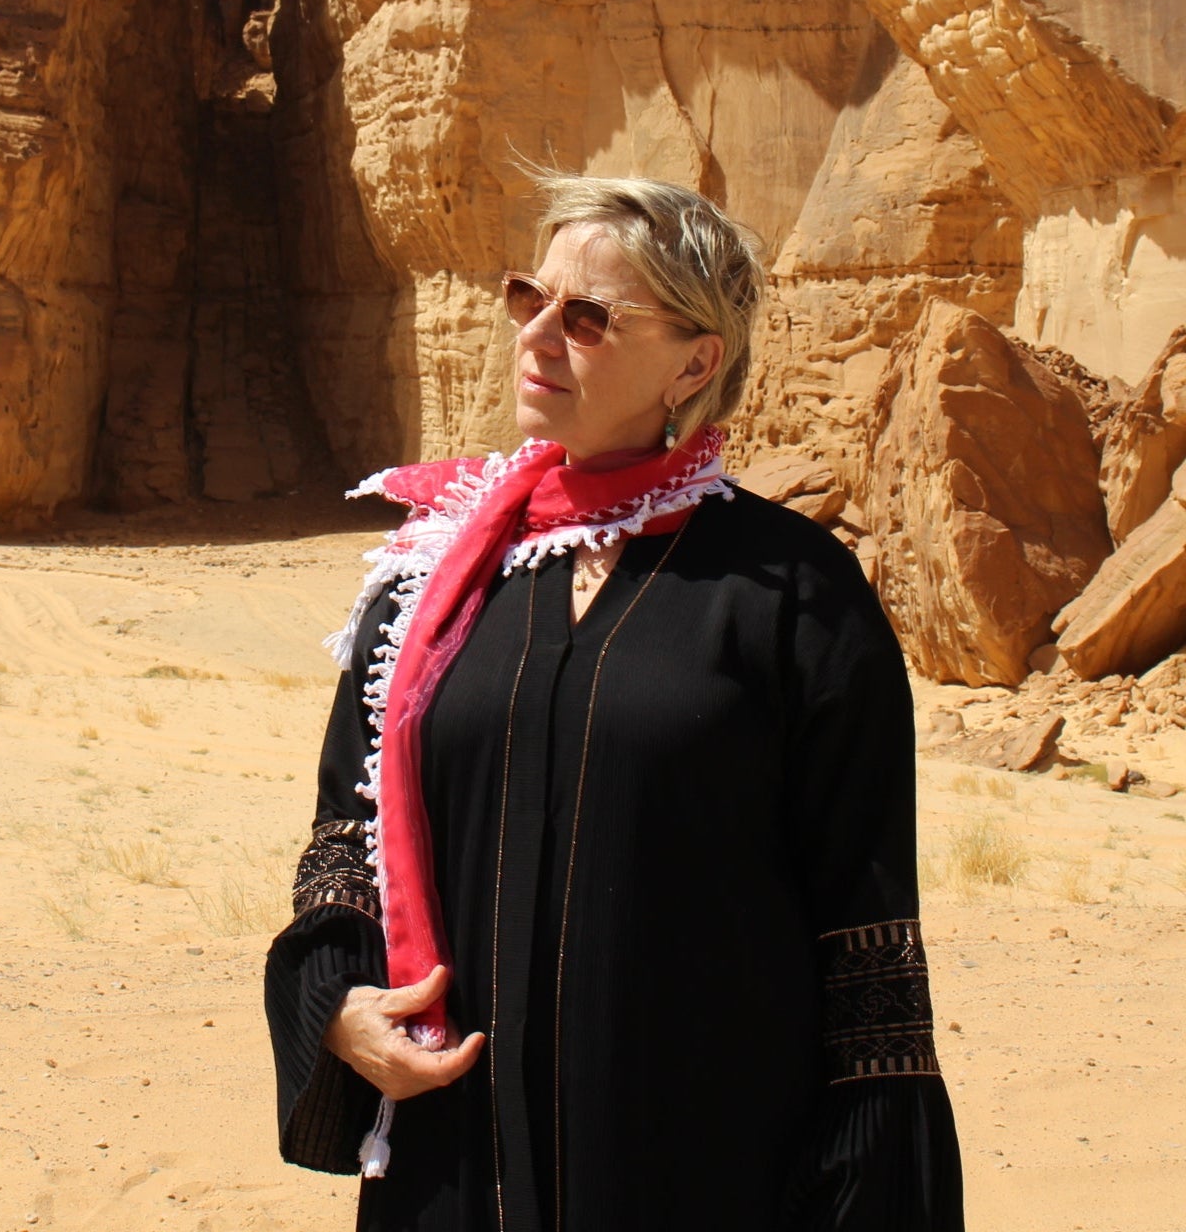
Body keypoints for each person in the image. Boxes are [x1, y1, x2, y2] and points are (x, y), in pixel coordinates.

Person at [264, 174, 964, 1231]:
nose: (539, 335)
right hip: (454, 1176)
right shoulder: (435, 577)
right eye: (527, 298)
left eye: (588, 317)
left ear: (697, 360)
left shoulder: (795, 596)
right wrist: (340, 1009)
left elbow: (867, 951)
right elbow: (344, 842)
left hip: (703, 1175)